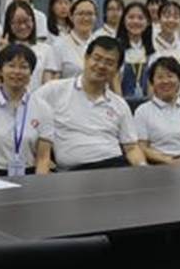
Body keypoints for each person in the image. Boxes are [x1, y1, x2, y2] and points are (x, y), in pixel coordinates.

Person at [33, 36, 146, 170]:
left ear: (116, 69)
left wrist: (144, 169)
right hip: (74, 172)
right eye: (97, 59)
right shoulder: (55, 90)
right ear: (86, 58)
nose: (101, 66)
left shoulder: (119, 104)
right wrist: (40, 158)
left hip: (114, 167)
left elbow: (131, 148)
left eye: (109, 63)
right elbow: (27, 114)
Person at [0, 44, 53, 177]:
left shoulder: (43, 108)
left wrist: (37, 184)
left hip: (30, 175)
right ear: (0, 70)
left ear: (31, 72)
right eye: (11, 65)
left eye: (23, 67)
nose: (17, 72)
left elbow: (43, 157)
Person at [0, 0, 57, 91]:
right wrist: (1, 53)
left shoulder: (46, 50)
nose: (23, 26)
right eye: (18, 22)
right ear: (9, 24)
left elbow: (47, 86)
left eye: (26, 21)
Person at [113, 1, 155, 99]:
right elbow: (114, 80)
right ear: (123, 21)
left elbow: (152, 83)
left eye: (140, 18)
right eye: (131, 17)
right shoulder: (115, 48)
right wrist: (121, 104)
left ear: (148, 22)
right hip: (120, 101)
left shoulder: (151, 51)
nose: (135, 21)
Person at [52, 0, 97, 79]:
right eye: (80, 14)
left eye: (90, 14)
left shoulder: (100, 43)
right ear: (71, 17)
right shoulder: (59, 45)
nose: (86, 18)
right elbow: (53, 80)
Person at [152, 0, 180, 91]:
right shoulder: (151, 45)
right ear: (159, 18)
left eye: (176, 17)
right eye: (167, 16)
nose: (171, 20)